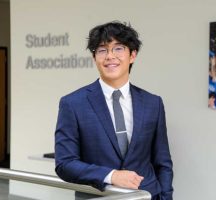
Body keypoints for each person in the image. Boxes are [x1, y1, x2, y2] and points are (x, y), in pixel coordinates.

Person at [54, 21, 173, 200]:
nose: (110, 56)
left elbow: (163, 163)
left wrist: (166, 197)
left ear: (132, 55)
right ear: (94, 58)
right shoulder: (72, 103)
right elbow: (65, 164)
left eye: (118, 48)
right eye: (102, 50)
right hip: (98, 196)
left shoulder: (153, 103)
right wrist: (111, 175)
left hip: (146, 196)